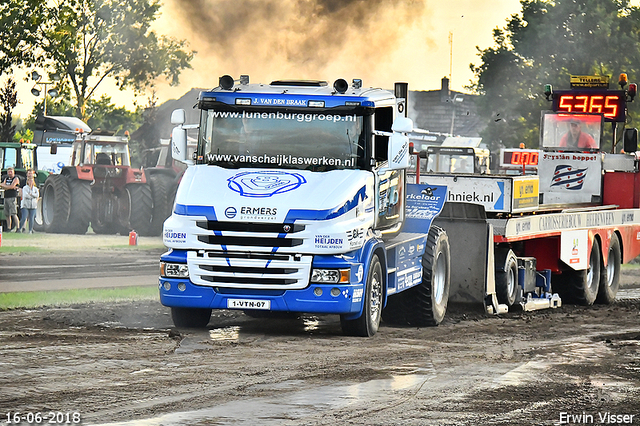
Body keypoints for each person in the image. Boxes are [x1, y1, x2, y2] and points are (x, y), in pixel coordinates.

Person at [19, 169, 39, 234]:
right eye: (29, 173)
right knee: (24, 217)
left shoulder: (35, 185)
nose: (30, 175)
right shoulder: (24, 185)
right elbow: (24, 194)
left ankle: (30, 230)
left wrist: (32, 195)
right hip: (25, 203)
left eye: (31, 173)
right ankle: (21, 228)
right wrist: (32, 195)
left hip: (33, 204)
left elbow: (37, 194)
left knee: (32, 218)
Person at [1, 166, 21, 232]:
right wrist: (8, 187)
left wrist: (6, 187)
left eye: (11, 172)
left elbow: (12, 186)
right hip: (6, 197)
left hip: (12, 197)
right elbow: (2, 185)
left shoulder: (16, 178)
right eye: (9, 172)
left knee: (14, 213)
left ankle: (18, 228)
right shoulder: (6, 178)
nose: (10, 173)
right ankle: (9, 228)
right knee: (7, 214)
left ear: (13, 172)